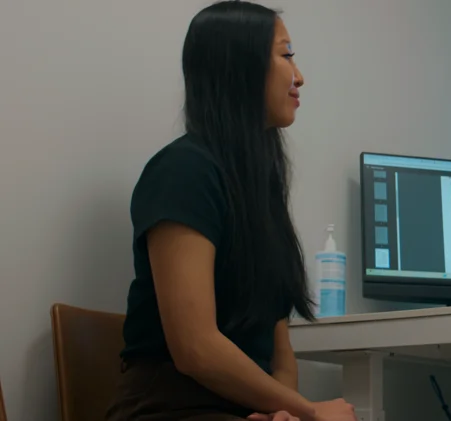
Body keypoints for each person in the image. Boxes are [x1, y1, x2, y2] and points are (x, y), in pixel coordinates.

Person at [106, 2, 357, 420]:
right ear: (240, 65)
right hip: (168, 407)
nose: (299, 77)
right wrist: (310, 413)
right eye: (286, 54)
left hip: (245, 408)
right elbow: (195, 347)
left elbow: (280, 356)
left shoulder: (261, 193)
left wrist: (284, 414)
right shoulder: (183, 172)